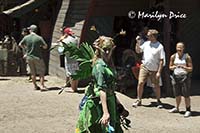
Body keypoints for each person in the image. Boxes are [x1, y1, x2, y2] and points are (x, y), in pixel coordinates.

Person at [76, 36, 124, 133]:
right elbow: (102, 90)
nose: (107, 52)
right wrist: (105, 113)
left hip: (110, 101)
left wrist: (120, 107)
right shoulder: (99, 66)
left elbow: (111, 88)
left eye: (109, 50)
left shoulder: (110, 64)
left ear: (113, 49)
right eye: (104, 49)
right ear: (99, 49)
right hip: (98, 104)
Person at [132, 29, 165, 108]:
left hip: (154, 68)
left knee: (156, 85)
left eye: (149, 35)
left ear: (153, 37)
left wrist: (159, 72)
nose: (147, 37)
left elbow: (161, 60)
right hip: (145, 66)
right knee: (140, 83)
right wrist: (137, 43)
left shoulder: (160, 46)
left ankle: (158, 100)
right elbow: (138, 51)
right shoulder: (146, 44)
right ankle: (139, 99)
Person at [19, 24, 48, 91]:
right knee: (41, 72)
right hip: (38, 57)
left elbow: (20, 44)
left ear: (31, 30)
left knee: (32, 72)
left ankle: (35, 86)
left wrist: (26, 49)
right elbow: (45, 46)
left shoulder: (26, 37)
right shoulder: (39, 38)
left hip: (29, 57)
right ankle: (42, 86)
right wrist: (40, 46)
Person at [169, 42, 193, 117]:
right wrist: (174, 67)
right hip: (176, 76)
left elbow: (191, 68)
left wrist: (184, 67)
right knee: (177, 94)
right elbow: (170, 66)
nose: (179, 49)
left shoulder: (187, 57)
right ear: (176, 48)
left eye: (181, 47)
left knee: (186, 94)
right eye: (178, 47)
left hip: (184, 77)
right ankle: (177, 107)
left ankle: (188, 109)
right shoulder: (173, 56)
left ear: (183, 48)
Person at [58, 27, 79, 92]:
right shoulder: (75, 39)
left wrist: (60, 41)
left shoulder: (65, 41)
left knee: (71, 73)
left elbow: (60, 51)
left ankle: (73, 89)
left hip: (69, 58)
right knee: (76, 73)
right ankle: (75, 87)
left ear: (65, 34)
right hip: (76, 57)